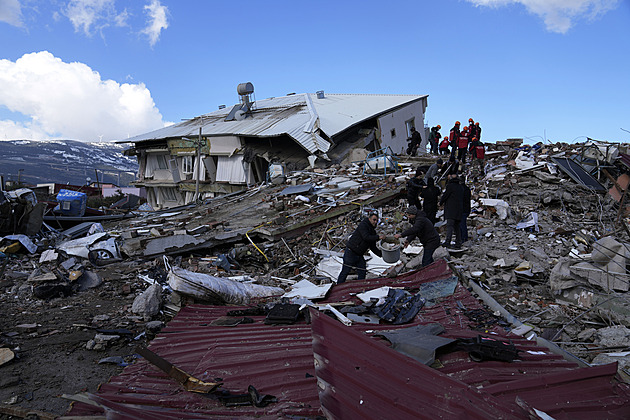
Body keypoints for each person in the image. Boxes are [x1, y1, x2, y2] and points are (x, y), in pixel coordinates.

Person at [337, 213, 384, 283]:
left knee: (362, 271)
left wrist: (382, 255)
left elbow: (373, 247)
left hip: (359, 254)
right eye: (374, 220)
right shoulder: (363, 225)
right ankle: (338, 287)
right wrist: (378, 237)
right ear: (369, 219)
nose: (375, 222)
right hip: (351, 252)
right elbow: (366, 237)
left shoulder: (373, 232)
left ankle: (360, 287)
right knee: (346, 271)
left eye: (377, 221)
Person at [439, 173, 464, 249]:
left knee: (450, 226)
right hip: (459, 210)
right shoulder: (461, 187)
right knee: (457, 227)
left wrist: (440, 202)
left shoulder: (450, 186)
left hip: (451, 210)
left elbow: (445, 196)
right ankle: (458, 242)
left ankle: (448, 241)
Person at [460, 178, 471, 243]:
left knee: (462, 224)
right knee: (463, 223)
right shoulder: (467, 189)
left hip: (462, 209)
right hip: (467, 208)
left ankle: (463, 237)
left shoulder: (461, 190)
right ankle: (464, 237)